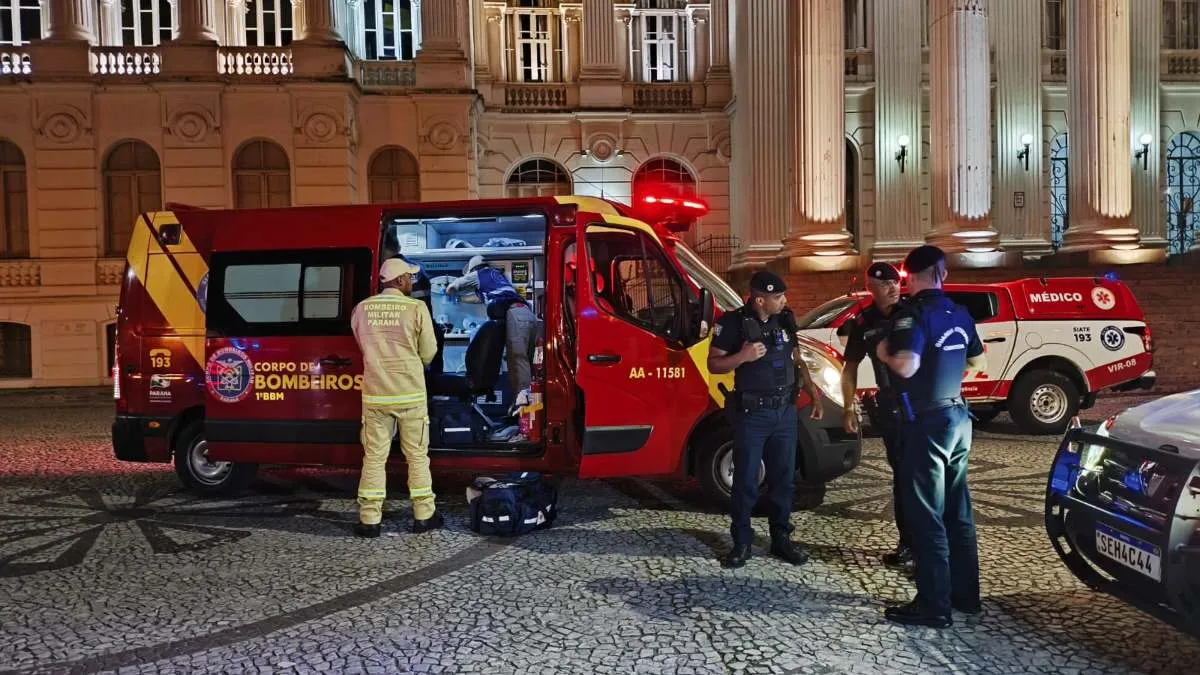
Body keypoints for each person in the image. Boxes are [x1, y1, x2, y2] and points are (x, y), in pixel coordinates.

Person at [873, 245, 988, 628]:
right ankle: (966, 596)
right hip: (958, 416)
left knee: (926, 514)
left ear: (908, 275)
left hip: (927, 423)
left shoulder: (913, 315)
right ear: (943, 273)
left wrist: (884, 353)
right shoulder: (959, 313)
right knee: (959, 511)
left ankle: (934, 604)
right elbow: (977, 361)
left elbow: (906, 365)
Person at [708, 270, 825, 569]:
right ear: (760, 299)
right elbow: (715, 364)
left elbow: (798, 360)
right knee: (746, 480)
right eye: (778, 297)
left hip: (784, 413)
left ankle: (781, 539)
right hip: (753, 415)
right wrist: (742, 357)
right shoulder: (732, 323)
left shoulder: (784, 319)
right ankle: (742, 542)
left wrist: (813, 394)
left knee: (783, 480)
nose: (784, 301)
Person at [350, 258, 443, 538]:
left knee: (375, 457)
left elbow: (361, 344)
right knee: (416, 456)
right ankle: (424, 515)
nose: (412, 282)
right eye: (410, 278)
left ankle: (369, 520)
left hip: (376, 395)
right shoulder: (416, 308)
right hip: (410, 394)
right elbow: (429, 351)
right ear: (400, 280)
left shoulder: (362, 308)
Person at [838, 262, 913, 572]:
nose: (894, 287)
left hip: (922, 405)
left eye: (896, 282)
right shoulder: (864, 323)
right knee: (902, 478)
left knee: (927, 477)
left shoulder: (912, 312)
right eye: (886, 284)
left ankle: (933, 542)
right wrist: (848, 407)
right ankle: (908, 542)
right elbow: (850, 367)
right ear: (873, 288)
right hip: (891, 407)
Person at [446, 255, 536, 397]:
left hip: (514, 313)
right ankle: (523, 404)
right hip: (526, 314)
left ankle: (523, 402)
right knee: (526, 361)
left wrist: (449, 291)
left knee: (517, 360)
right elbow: (477, 298)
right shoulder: (496, 278)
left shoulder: (480, 273)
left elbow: (456, 284)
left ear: (473, 269)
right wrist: (460, 298)